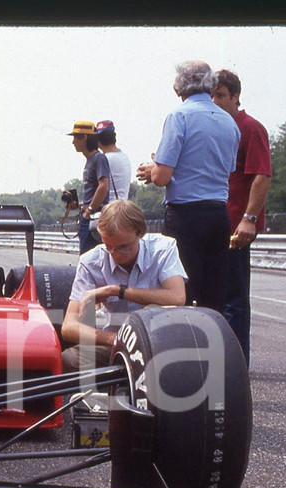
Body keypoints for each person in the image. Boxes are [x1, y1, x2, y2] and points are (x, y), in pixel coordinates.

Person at [136, 60, 239, 313]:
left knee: (180, 292)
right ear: (211, 85)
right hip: (218, 215)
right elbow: (227, 169)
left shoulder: (179, 116)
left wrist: (153, 169)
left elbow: (162, 177)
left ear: (178, 87)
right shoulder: (229, 123)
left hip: (185, 215)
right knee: (212, 296)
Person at [61, 200, 187, 371]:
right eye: (109, 247)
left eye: (124, 247)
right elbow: (69, 327)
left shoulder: (162, 248)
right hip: (114, 343)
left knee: (152, 308)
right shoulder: (90, 261)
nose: (116, 254)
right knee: (69, 358)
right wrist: (114, 339)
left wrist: (117, 290)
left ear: (140, 233)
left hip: (159, 343)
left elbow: (177, 297)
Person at [213, 69, 271, 367]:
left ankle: (237, 367)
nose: (215, 101)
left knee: (234, 300)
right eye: (211, 95)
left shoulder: (250, 128)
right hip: (214, 223)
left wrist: (249, 218)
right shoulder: (217, 128)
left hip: (237, 225)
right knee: (214, 297)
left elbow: (262, 176)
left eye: (221, 95)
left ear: (235, 96)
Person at [67, 120, 111, 255]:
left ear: (84, 137)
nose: (73, 142)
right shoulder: (90, 160)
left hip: (93, 218)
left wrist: (89, 210)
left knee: (88, 261)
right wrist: (81, 205)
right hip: (88, 216)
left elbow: (104, 186)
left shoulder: (99, 159)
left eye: (75, 137)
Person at [95, 120, 131, 204]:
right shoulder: (124, 156)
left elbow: (102, 189)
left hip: (109, 210)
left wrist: (89, 209)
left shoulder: (104, 159)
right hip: (122, 209)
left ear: (98, 140)